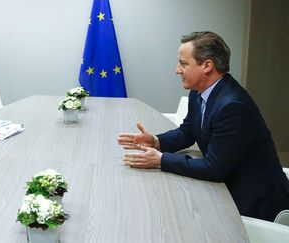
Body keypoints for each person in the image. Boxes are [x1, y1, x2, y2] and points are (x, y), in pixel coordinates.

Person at [118, 31, 289, 221]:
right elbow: (187, 131)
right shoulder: (199, 91)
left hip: (254, 203)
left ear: (207, 65)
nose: (177, 70)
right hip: (228, 185)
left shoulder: (233, 106)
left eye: (184, 63)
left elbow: (214, 168)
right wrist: (156, 141)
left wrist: (161, 160)